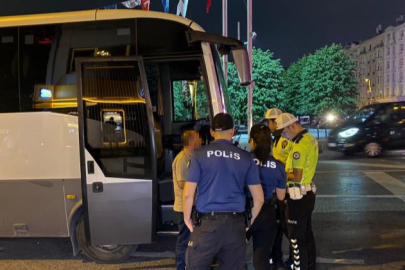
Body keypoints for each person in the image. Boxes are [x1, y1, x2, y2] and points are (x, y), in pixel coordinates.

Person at [183, 113, 264, 270]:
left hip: (206, 225)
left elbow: (187, 194)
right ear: (232, 131)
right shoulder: (246, 157)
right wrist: (248, 222)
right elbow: (259, 198)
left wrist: (187, 218)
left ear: (212, 132)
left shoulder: (198, 155)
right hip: (235, 225)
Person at [275, 113, 319, 270]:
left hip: (297, 197)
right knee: (307, 236)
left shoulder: (299, 145)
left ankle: (299, 268)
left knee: (295, 239)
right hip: (307, 194)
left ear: (292, 126)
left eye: (284, 131)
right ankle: (310, 266)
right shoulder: (310, 138)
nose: (283, 135)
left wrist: (282, 173)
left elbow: (298, 176)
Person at [246, 124, 286, 270]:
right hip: (266, 214)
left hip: (243, 211)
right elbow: (281, 196)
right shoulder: (278, 166)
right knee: (261, 260)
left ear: (252, 141)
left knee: (234, 257)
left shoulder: (244, 160)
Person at [264, 108, 292, 269]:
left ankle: (293, 258)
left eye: (269, 122)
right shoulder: (275, 139)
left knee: (287, 226)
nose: (268, 125)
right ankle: (277, 257)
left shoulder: (285, 139)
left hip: (286, 188)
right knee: (279, 226)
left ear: (275, 122)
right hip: (278, 187)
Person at [172, 130, 202, 270]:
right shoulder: (183, 159)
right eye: (198, 138)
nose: (201, 140)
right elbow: (181, 182)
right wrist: (198, 182)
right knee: (184, 240)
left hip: (190, 204)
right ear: (191, 142)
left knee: (190, 239)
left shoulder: (191, 157)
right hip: (183, 206)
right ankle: (180, 266)